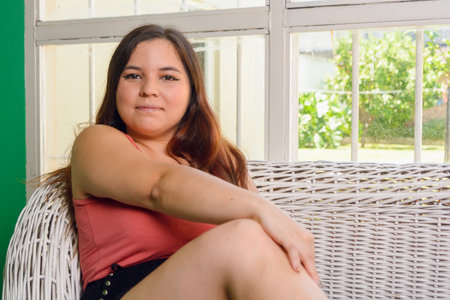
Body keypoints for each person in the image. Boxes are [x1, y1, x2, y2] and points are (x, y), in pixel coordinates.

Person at [64, 24, 329, 299]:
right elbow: (159, 186)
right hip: (125, 290)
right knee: (247, 236)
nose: (149, 89)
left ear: (192, 91)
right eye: (133, 76)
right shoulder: (95, 142)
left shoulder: (220, 160)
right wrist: (264, 209)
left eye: (168, 77)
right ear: (115, 86)